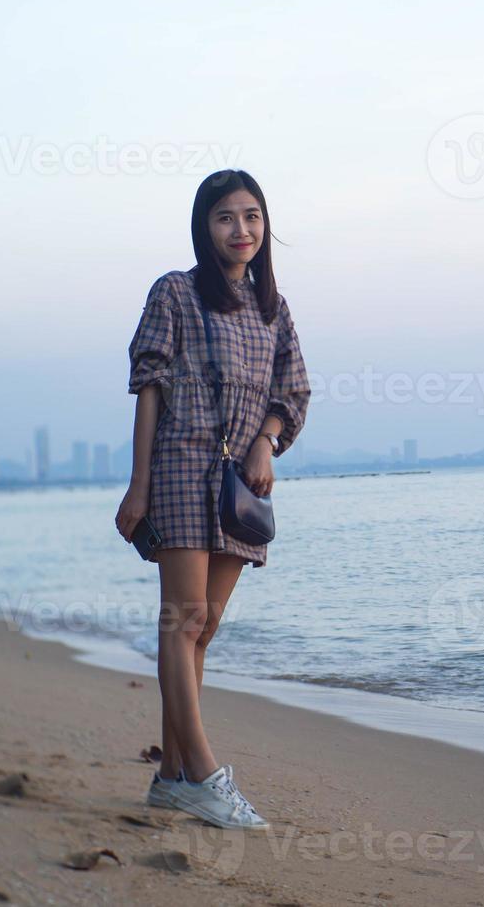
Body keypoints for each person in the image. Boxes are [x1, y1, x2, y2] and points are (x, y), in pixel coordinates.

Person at [115, 169, 311, 829]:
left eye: (252, 216)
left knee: (206, 629)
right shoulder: (175, 291)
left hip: (238, 485)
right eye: (226, 217)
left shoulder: (272, 309)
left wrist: (267, 442)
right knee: (184, 618)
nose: (241, 230)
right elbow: (149, 386)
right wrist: (138, 483)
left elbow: (295, 391)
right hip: (177, 465)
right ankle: (203, 773)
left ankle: (170, 775)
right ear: (204, 226)